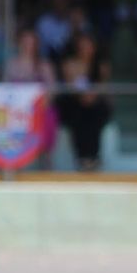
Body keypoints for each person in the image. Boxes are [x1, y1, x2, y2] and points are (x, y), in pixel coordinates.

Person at [55, 31, 111, 171]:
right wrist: (83, 95)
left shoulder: (101, 65)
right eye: (82, 46)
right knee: (79, 116)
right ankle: (82, 157)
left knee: (95, 115)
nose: (85, 49)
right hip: (74, 102)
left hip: (95, 103)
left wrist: (92, 96)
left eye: (88, 46)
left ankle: (93, 156)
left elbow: (103, 87)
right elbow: (70, 85)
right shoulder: (69, 63)